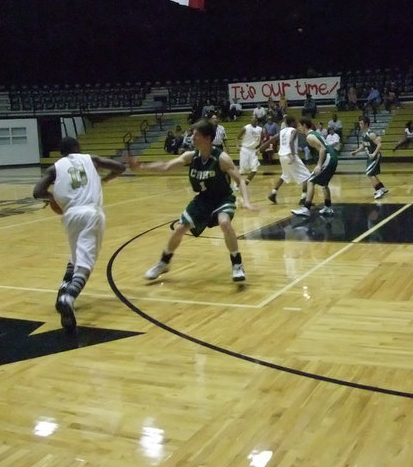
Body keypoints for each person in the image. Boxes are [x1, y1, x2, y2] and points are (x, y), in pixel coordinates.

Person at [126, 119, 255, 282]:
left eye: (196, 135)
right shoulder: (190, 156)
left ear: (207, 138)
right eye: (192, 135)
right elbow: (166, 167)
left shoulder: (221, 158)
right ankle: (163, 262)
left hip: (222, 198)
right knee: (180, 228)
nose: (192, 138)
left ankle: (237, 264)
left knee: (224, 223)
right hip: (202, 200)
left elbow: (240, 180)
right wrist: (141, 167)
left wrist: (247, 201)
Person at [32, 137, 126, 332]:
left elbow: (37, 192)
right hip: (91, 213)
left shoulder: (55, 168)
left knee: (75, 256)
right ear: (78, 148)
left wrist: (52, 197)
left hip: (70, 215)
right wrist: (105, 179)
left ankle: (63, 289)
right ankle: (69, 297)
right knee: (86, 263)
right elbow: (120, 167)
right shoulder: (90, 159)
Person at [291, 117, 339, 217]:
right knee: (324, 183)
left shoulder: (310, 137)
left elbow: (322, 149)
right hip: (333, 157)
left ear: (304, 125)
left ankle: (306, 208)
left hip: (329, 157)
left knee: (310, 181)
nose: (298, 128)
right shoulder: (315, 133)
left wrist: (319, 165)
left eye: (299, 125)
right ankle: (328, 207)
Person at [260, 115, 309, 205]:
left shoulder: (282, 131)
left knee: (285, 175)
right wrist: (293, 155)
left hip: (282, 157)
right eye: (295, 122)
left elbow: (271, 140)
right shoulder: (293, 130)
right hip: (290, 155)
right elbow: (290, 142)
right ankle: (303, 198)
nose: (297, 123)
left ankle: (273, 193)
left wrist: (261, 148)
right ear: (292, 122)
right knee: (307, 176)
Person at [350, 115, 388, 199]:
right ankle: (382, 188)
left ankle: (378, 191)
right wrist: (356, 152)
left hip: (375, 156)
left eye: (361, 123)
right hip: (370, 157)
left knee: (369, 173)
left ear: (366, 124)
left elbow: (379, 145)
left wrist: (374, 154)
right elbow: (363, 145)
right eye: (359, 123)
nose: (360, 125)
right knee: (372, 173)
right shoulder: (363, 134)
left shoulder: (371, 134)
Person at [237, 115, 263, 185]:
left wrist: (259, 149)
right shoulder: (246, 128)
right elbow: (237, 138)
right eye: (252, 120)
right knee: (242, 170)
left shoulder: (260, 129)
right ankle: (236, 183)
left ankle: (246, 183)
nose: (253, 121)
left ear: (257, 121)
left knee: (254, 169)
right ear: (250, 120)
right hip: (245, 149)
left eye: (255, 120)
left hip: (253, 150)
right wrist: (237, 146)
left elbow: (262, 140)